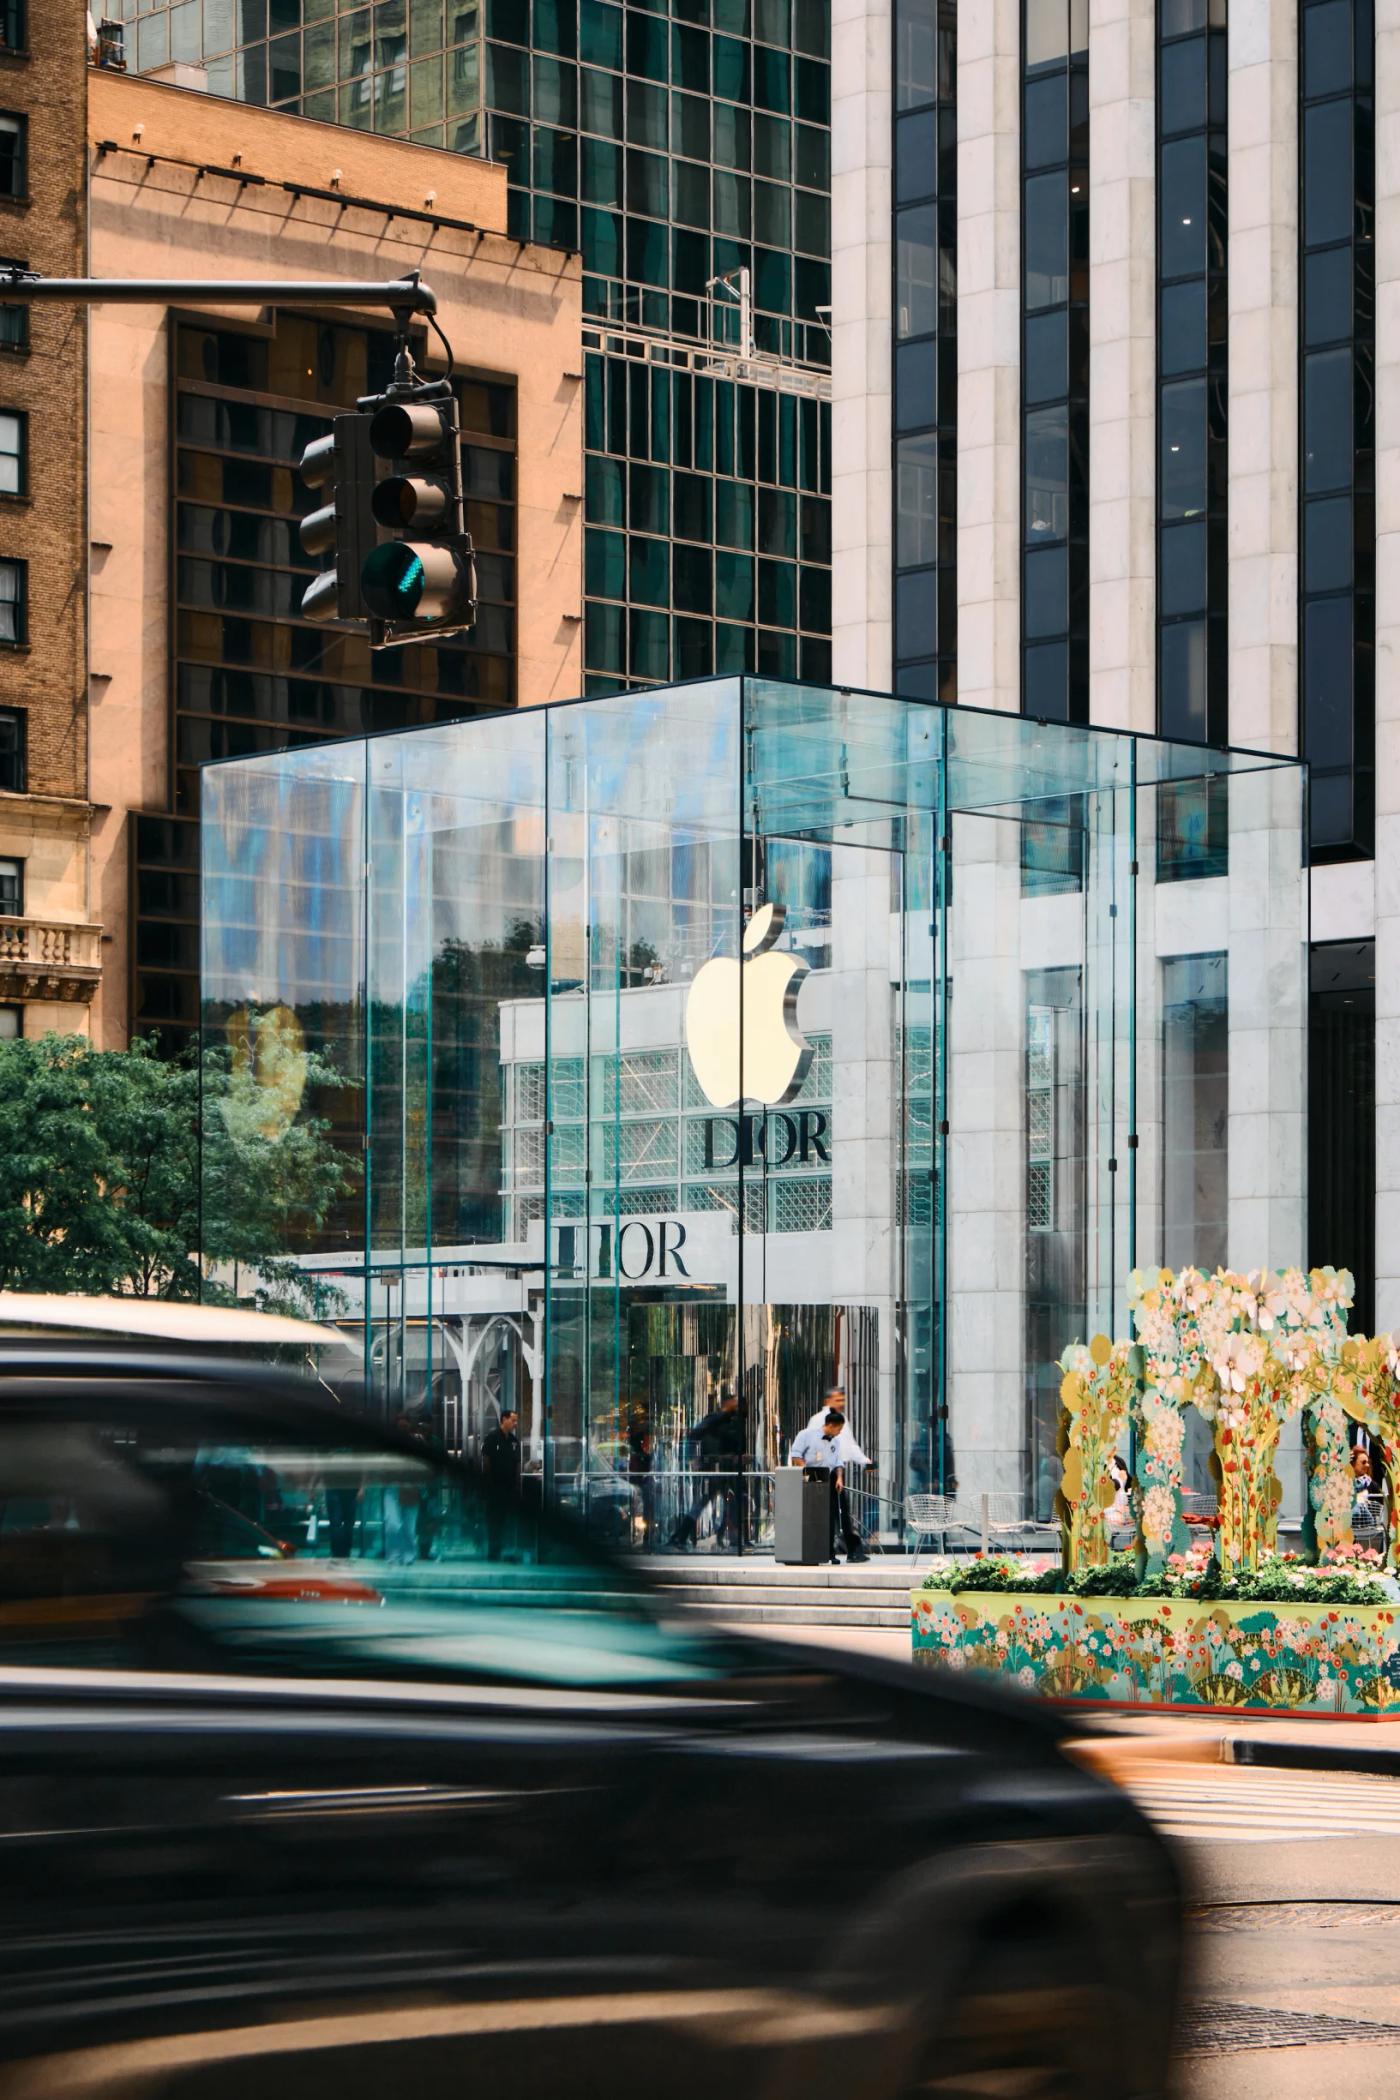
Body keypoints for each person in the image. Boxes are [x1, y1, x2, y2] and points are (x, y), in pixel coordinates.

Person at [789, 1406, 869, 1563]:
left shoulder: (836, 1441)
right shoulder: (806, 1435)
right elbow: (796, 1455)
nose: (840, 1432)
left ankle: (835, 1552)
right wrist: (806, 1473)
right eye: (839, 1429)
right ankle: (819, 1550)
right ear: (831, 1425)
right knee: (817, 1515)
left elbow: (837, 1461)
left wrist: (839, 1478)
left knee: (836, 1513)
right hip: (811, 1474)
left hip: (831, 1476)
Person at [668, 1388, 746, 1549]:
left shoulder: (732, 1422)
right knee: (704, 1503)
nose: (737, 1406)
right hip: (714, 1469)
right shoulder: (715, 1419)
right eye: (734, 1402)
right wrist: (694, 1460)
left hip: (725, 1470)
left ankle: (730, 1537)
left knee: (732, 1502)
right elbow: (695, 1436)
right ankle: (680, 1536)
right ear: (726, 1403)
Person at [480, 1406, 522, 1560]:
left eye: (516, 1421)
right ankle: (493, 1551)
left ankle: (506, 1550)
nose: (515, 1423)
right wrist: (488, 1482)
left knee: (505, 1520)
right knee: (493, 1521)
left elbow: (517, 1463)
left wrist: (517, 1484)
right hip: (494, 1487)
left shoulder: (513, 1441)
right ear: (503, 1419)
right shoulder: (492, 1438)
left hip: (509, 1488)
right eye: (513, 1420)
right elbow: (486, 1461)